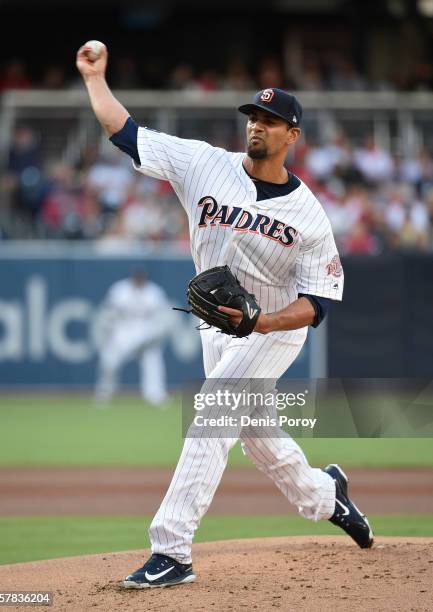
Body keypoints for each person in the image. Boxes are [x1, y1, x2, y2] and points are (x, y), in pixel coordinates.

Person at [76, 42, 374, 589]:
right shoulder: (204, 163)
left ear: (293, 136)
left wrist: (260, 323)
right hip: (217, 327)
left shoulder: (308, 215)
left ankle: (173, 551)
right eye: (254, 117)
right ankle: (328, 495)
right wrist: (95, 79)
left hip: (274, 327)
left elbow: (318, 304)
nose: (258, 125)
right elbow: (127, 133)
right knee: (260, 438)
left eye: (271, 119)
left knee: (212, 412)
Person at [95, 269, 170, 406]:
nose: (138, 281)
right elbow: (108, 313)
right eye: (136, 278)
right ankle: (104, 393)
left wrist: (156, 335)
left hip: (146, 335)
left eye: (141, 278)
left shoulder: (154, 292)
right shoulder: (120, 290)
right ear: (131, 278)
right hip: (123, 334)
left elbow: (162, 317)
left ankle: (155, 395)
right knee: (109, 361)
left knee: (153, 361)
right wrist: (109, 332)